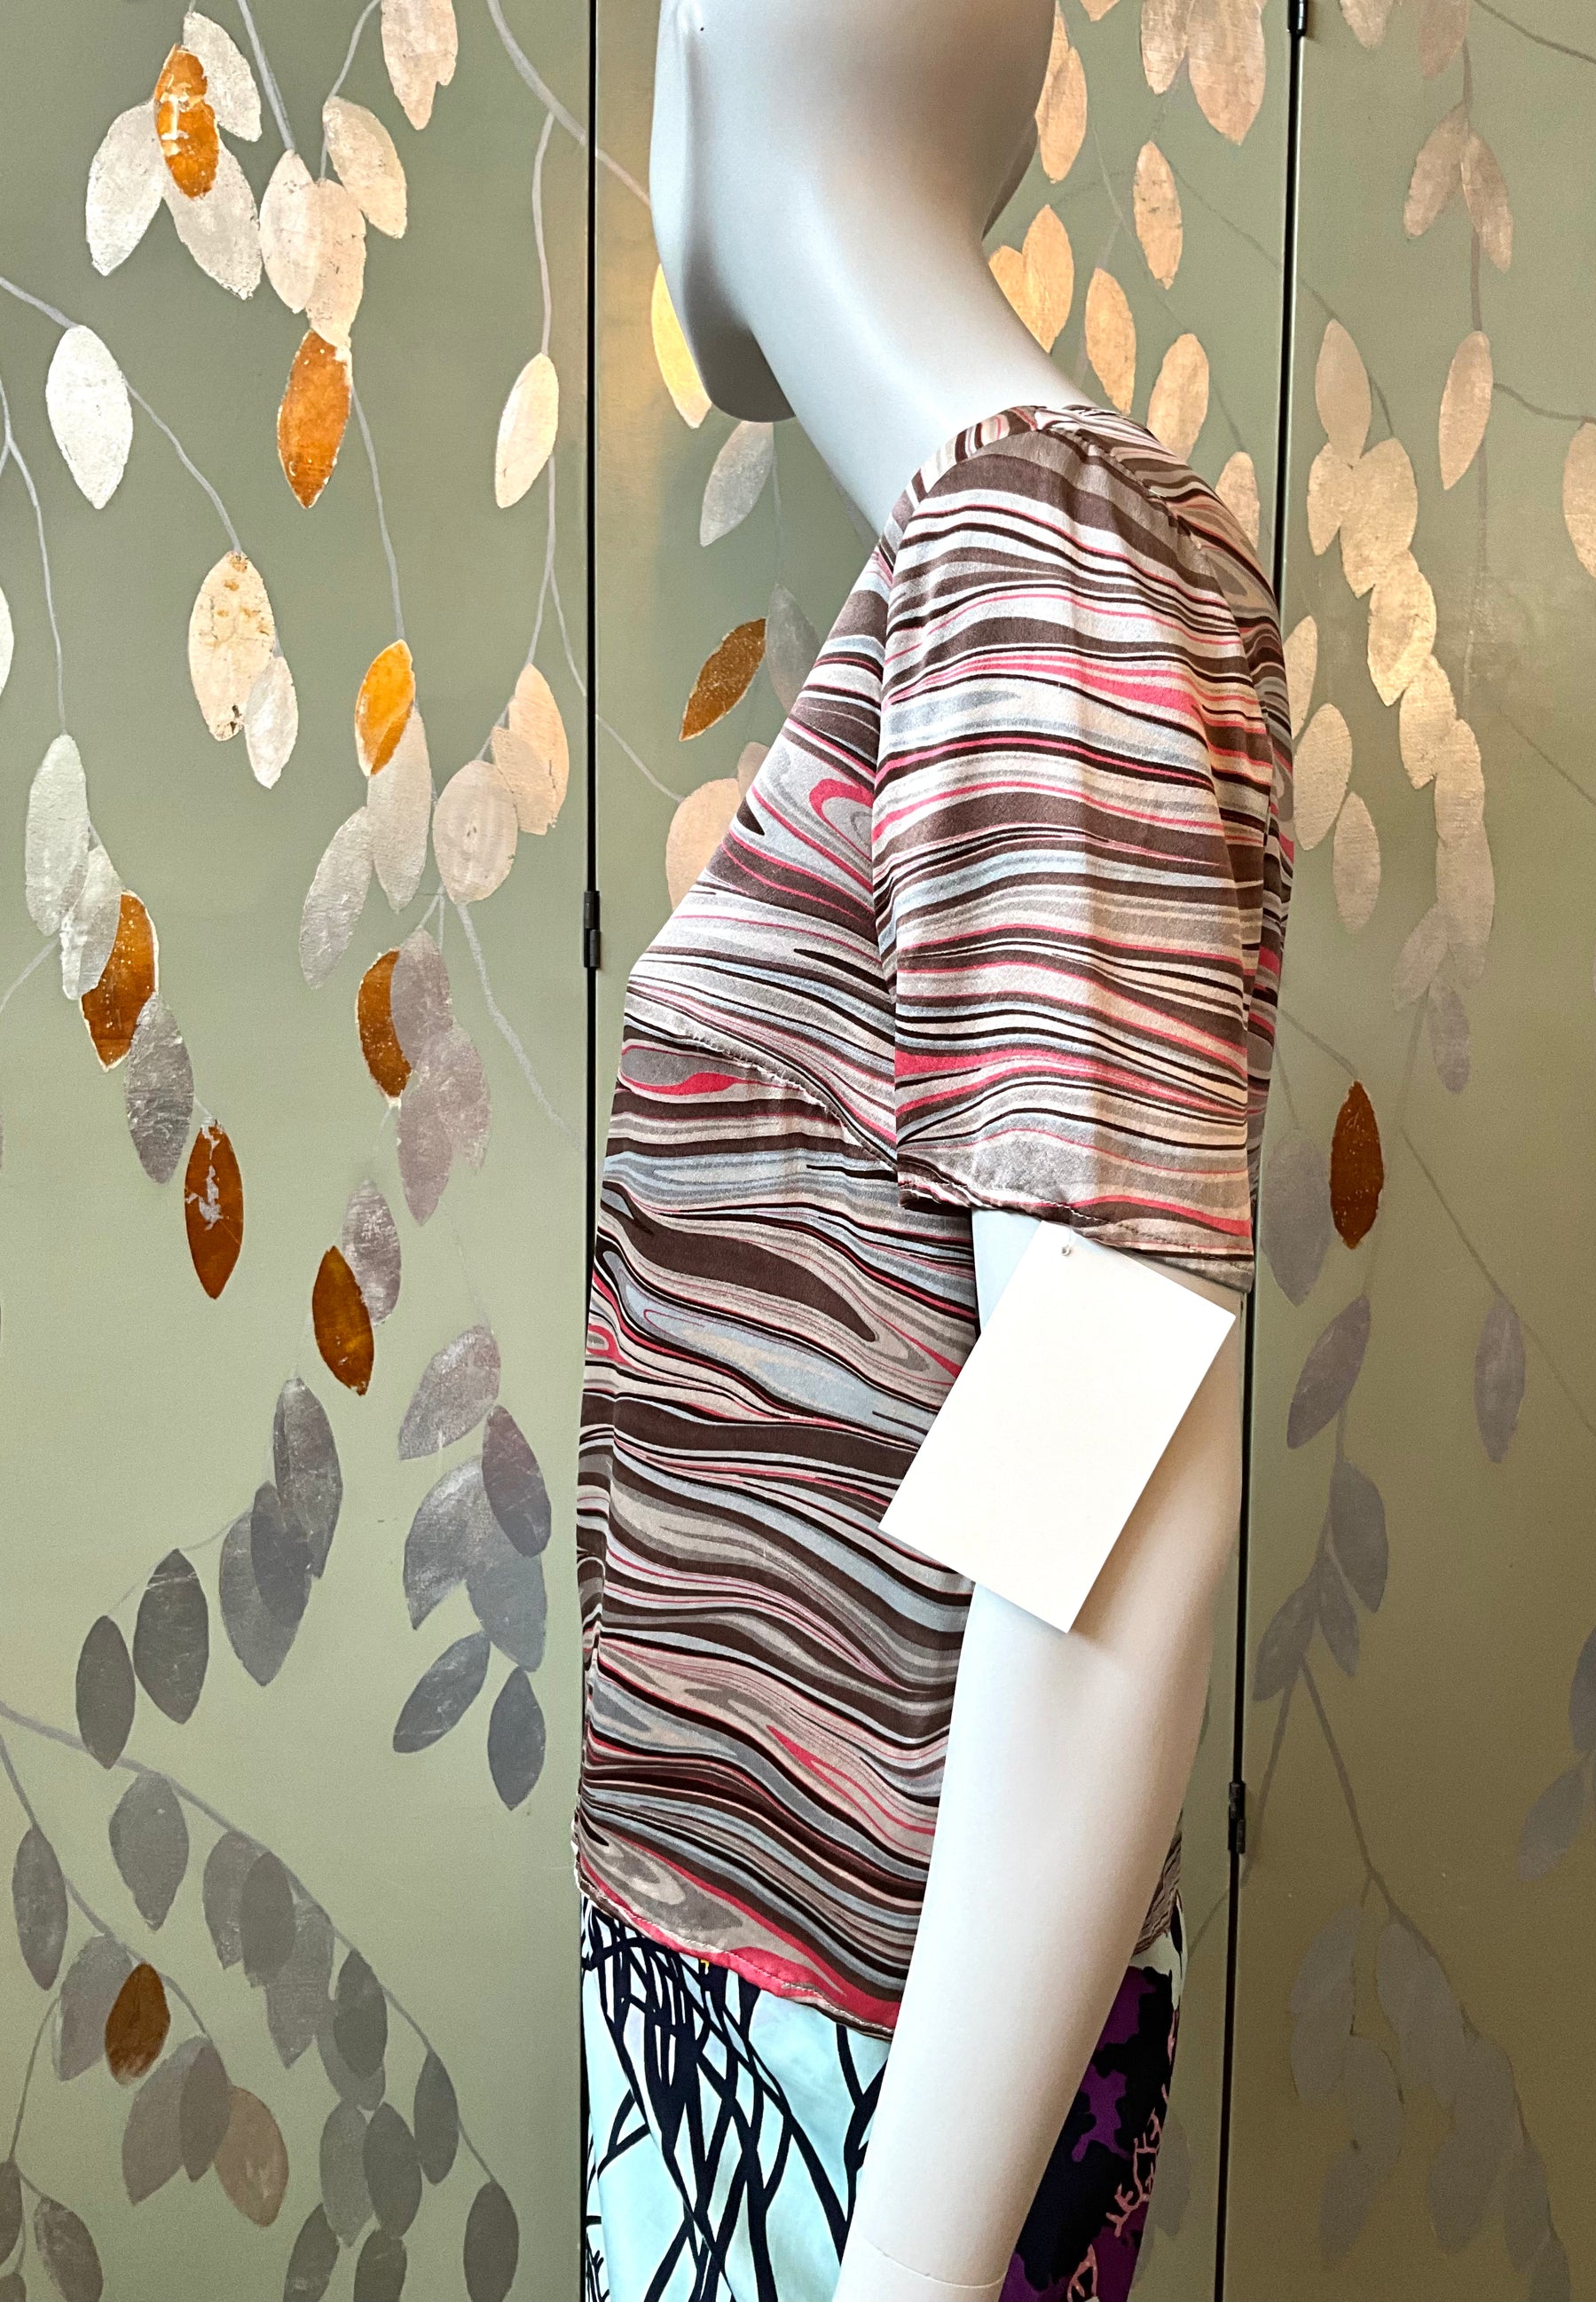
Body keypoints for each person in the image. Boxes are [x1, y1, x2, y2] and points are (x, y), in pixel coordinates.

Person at [577, 4, 1293, 2298]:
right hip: (767, 2004)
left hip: (858, 2076)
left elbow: (1101, 1453)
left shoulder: (1038, 554)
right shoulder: (991, 561)